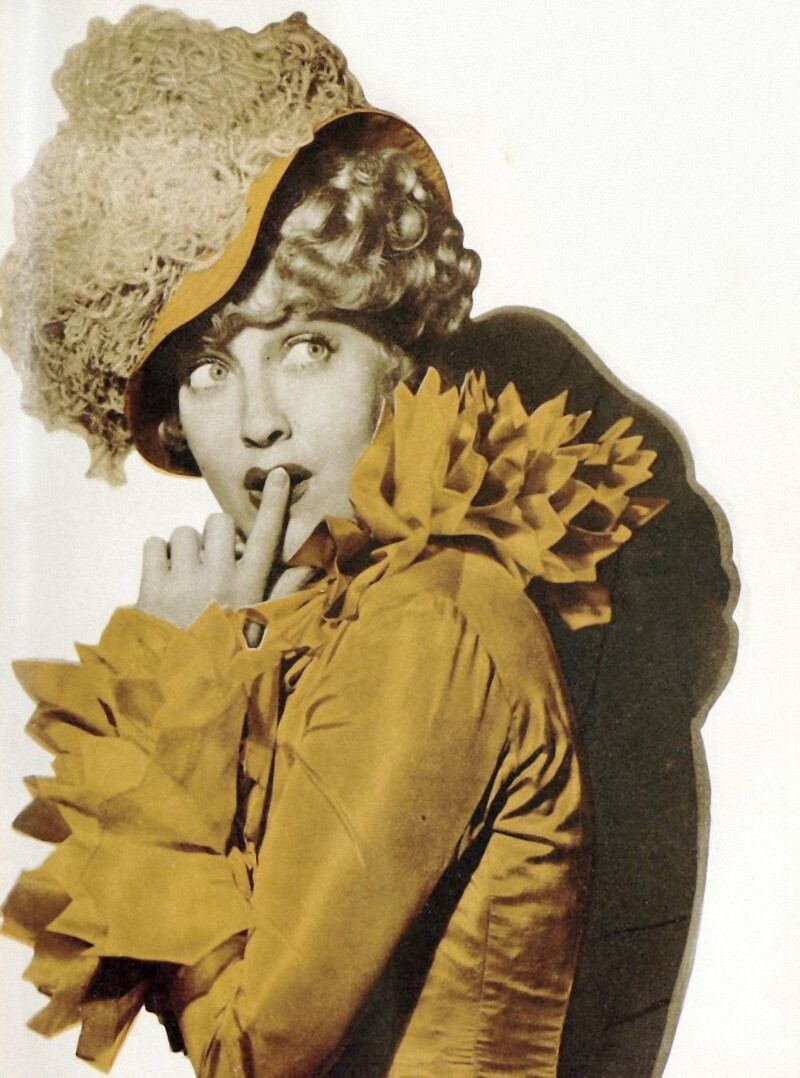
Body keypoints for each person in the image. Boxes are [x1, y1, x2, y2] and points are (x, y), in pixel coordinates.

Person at [0, 9, 669, 1076]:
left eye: (306, 347)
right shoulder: (339, 618)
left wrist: (181, 689)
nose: (257, 421)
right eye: (209, 370)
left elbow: (251, 1057)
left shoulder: (431, 618)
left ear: (395, 359)